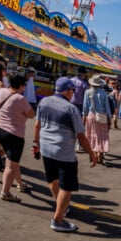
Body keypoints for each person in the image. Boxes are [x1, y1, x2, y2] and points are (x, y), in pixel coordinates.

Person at [34, 76, 97, 232]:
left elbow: (37, 126)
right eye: (72, 91)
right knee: (66, 187)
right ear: (68, 91)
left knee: (53, 179)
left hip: (46, 147)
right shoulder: (71, 109)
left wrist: (35, 143)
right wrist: (91, 153)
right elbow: (81, 136)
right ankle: (58, 220)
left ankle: (61, 207)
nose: (73, 94)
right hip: (63, 151)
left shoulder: (43, 102)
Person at [0, 73, 34, 201]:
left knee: (12, 161)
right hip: (14, 134)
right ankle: (5, 193)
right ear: (21, 86)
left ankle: (20, 184)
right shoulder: (21, 99)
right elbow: (32, 114)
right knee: (11, 164)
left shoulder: (1, 91)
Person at [83, 74, 112, 166]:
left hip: (91, 116)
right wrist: (109, 118)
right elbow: (107, 107)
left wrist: (84, 116)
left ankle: (94, 155)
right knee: (101, 136)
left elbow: (85, 106)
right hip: (102, 116)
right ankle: (100, 155)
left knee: (91, 135)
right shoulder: (104, 93)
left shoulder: (87, 92)